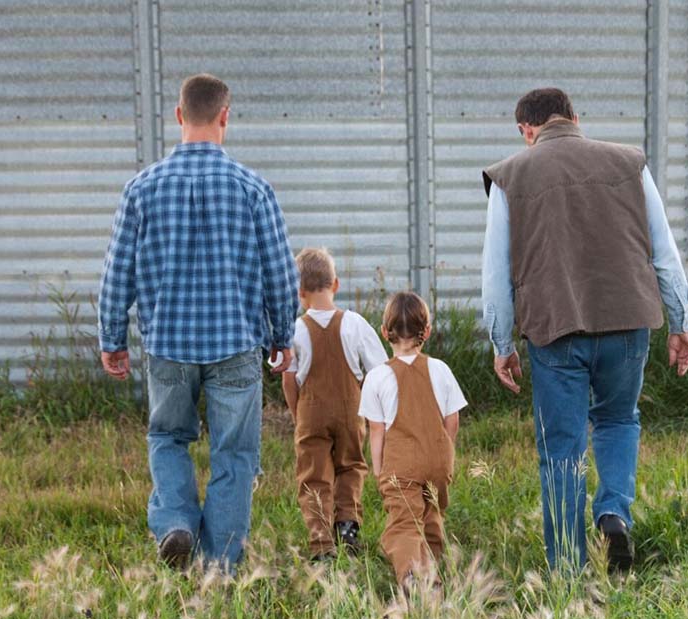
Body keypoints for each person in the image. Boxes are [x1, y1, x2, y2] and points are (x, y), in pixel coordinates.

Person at [481, 87, 688, 572]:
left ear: (526, 130)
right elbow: (664, 253)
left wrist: (502, 342)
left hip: (555, 331)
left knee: (561, 448)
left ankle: (566, 570)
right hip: (627, 324)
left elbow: (495, 275)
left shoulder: (509, 176)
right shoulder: (629, 163)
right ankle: (614, 513)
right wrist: (681, 323)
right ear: (576, 117)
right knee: (619, 420)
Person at [98, 73, 298, 571]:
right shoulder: (254, 189)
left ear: (178, 116)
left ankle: (176, 525)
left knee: (168, 437)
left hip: (167, 344)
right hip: (236, 345)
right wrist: (282, 336)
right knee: (234, 455)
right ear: (225, 117)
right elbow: (279, 270)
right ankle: (220, 567)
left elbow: (116, 270)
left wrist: (112, 337)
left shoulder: (140, 189)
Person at [282, 247, 388, 561]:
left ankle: (321, 544)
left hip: (310, 411)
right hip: (350, 409)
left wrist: (296, 410)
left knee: (313, 474)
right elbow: (379, 371)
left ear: (299, 293)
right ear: (336, 285)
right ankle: (347, 527)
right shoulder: (355, 323)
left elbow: (289, 379)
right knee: (351, 466)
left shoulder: (296, 329)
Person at [359, 292, 467, 589]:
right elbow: (453, 418)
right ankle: (433, 572)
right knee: (432, 514)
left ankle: (411, 575)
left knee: (405, 522)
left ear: (384, 332)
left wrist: (379, 468)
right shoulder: (441, 369)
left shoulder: (377, 377)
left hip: (401, 464)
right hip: (437, 458)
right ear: (427, 332)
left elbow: (376, 429)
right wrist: (447, 449)